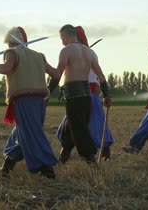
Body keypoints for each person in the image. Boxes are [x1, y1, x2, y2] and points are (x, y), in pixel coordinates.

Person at [0, 26, 57, 178]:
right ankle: (7, 166)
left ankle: (47, 168)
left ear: (10, 41)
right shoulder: (39, 56)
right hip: (40, 102)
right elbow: (56, 74)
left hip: (24, 101)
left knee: (31, 133)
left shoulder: (12, 53)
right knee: (22, 133)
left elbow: (5, 69)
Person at [47, 24, 111, 164]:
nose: (62, 41)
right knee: (71, 128)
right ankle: (63, 158)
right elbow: (101, 77)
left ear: (66, 35)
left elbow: (57, 74)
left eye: (61, 37)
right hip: (87, 97)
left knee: (78, 128)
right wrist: (106, 94)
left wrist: (44, 66)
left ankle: (90, 159)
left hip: (73, 96)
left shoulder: (66, 50)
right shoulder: (90, 52)